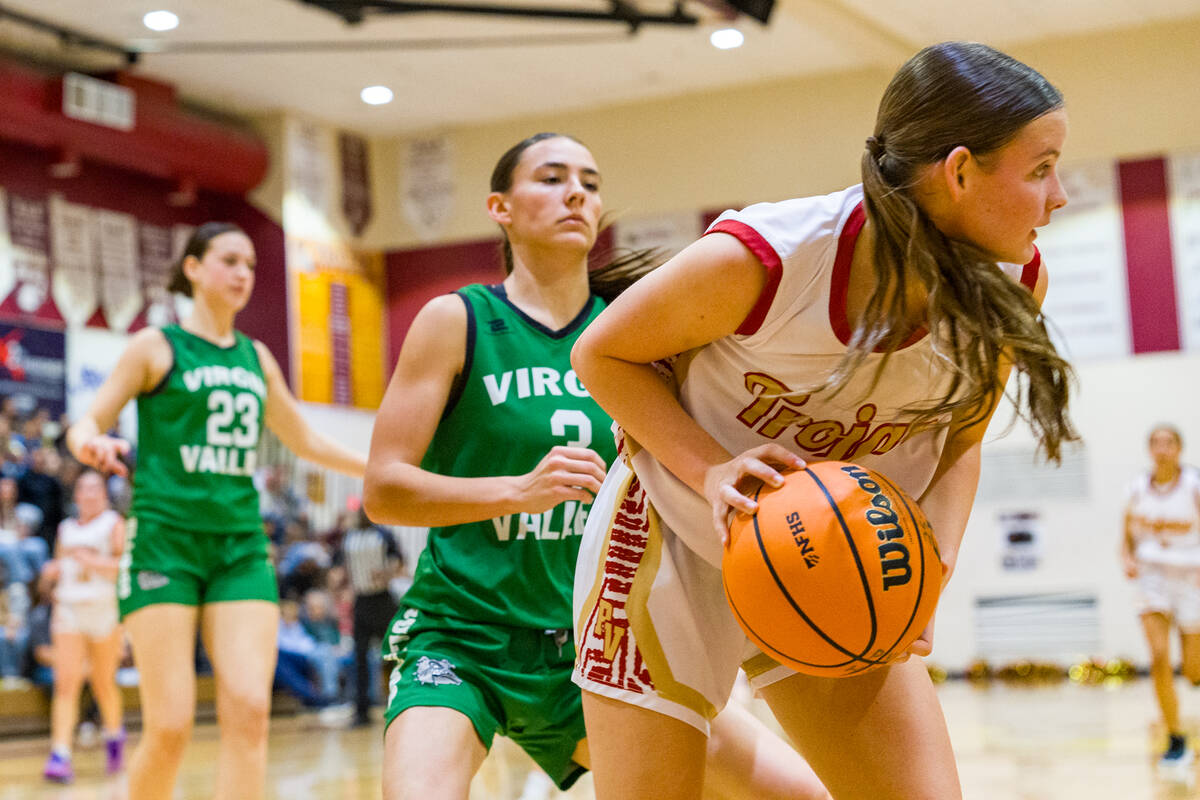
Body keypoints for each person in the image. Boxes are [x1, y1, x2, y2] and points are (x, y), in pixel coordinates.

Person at [570, 41, 1076, 800]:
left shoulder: (1014, 281)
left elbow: (960, 442)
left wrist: (929, 563)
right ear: (961, 171)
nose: (1059, 195)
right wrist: (711, 466)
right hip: (674, 539)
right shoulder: (771, 257)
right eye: (1040, 169)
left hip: (837, 555)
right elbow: (601, 356)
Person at [365, 133, 829, 800]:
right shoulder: (456, 320)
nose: (576, 192)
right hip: (464, 636)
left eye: (588, 179)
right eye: (552, 178)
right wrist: (515, 492)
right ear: (500, 206)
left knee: (805, 795)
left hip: (605, 637)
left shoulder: (635, 329)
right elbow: (384, 490)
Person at [67, 222, 367, 800]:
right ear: (194, 269)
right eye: (229, 260)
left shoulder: (257, 357)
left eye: (251, 265)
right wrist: (88, 444)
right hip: (165, 543)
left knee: (251, 710)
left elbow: (305, 440)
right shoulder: (156, 346)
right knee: (172, 725)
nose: (243, 274)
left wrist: (380, 466)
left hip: (238, 547)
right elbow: (89, 419)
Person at [1120, 424, 1200, 769]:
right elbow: (1125, 533)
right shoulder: (1138, 489)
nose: (1162, 448)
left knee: (1193, 665)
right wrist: (1126, 557)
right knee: (1158, 656)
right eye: (1155, 442)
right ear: (1149, 449)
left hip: (1190, 575)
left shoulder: (1193, 485)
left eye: (1168, 442)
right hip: (1152, 577)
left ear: (1179, 448)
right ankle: (1175, 736)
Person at [41, 469, 126, 783]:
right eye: (83, 488)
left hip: (104, 610)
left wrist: (92, 562)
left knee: (104, 683)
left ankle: (114, 735)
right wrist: (52, 571)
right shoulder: (65, 529)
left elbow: (122, 568)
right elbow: (59, 567)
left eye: (95, 488)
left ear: (104, 494)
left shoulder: (113, 524)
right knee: (66, 682)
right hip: (70, 609)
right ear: (76, 495)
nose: (89, 494)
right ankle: (60, 753)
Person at [333, 507, 403, 726]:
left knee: (393, 654)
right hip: (361, 601)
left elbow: (399, 560)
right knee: (359, 657)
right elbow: (340, 567)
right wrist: (340, 585)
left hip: (382, 599)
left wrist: (387, 573)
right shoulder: (349, 538)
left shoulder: (384, 535)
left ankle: (399, 704)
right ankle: (361, 710)